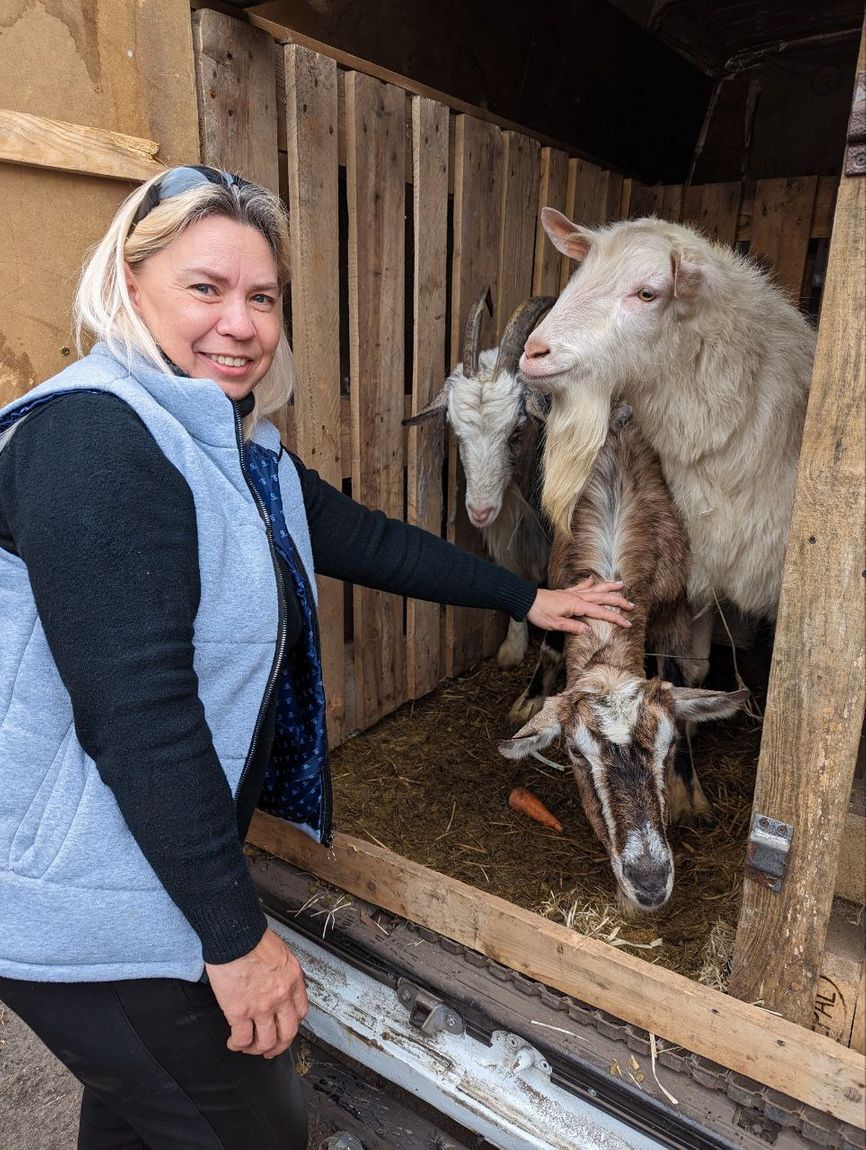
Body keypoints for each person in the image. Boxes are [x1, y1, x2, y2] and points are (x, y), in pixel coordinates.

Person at [0, 165, 633, 1150]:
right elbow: (138, 716)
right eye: (204, 289)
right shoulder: (95, 439)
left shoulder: (226, 444)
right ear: (130, 287)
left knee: (134, 1111)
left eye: (261, 297)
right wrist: (238, 937)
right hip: (81, 894)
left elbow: (357, 536)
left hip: (129, 866)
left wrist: (529, 597)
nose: (240, 323)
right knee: (252, 1126)